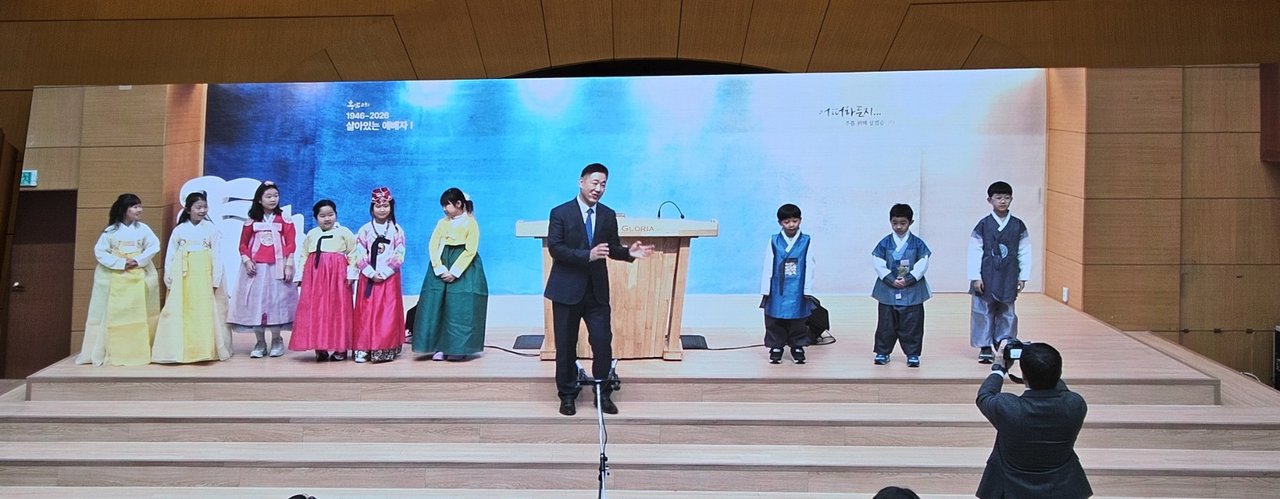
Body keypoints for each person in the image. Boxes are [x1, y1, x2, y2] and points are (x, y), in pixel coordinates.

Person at [545, 163, 653, 416]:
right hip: (566, 291)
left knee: (603, 342)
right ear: (581, 182)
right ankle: (567, 395)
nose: (599, 188)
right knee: (566, 345)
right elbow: (556, 249)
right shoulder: (560, 213)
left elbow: (611, 248)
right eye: (594, 183)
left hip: (596, 292)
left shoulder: (607, 214)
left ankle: (602, 393)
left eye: (603, 184)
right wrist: (587, 255)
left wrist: (628, 253)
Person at [978, 342, 1092, 498]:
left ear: (1023, 375)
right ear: (1059, 372)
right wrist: (1047, 370)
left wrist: (999, 367)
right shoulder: (1075, 405)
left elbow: (985, 395)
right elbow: (1061, 389)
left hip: (1009, 490)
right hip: (1063, 489)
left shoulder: (1008, 408)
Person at [75, 193, 161, 366]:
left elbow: (154, 246)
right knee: (112, 314)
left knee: (140, 313)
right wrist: (121, 263)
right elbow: (100, 252)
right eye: (135, 207)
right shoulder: (110, 232)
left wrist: (138, 260)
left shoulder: (143, 229)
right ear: (124, 209)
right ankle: (111, 351)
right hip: (115, 276)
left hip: (138, 273)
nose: (139, 210)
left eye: (140, 206)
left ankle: (140, 351)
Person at [152, 191, 233, 363]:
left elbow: (217, 255)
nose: (202, 210)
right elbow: (171, 255)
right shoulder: (179, 230)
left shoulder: (211, 229)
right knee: (183, 310)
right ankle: (181, 349)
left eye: (205, 207)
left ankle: (205, 348)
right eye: (198, 207)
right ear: (188, 209)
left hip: (204, 275)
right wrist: (169, 277)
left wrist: (215, 279)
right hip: (184, 277)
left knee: (206, 310)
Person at [413, 188, 489, 361]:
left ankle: (458, 347)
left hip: (464, 269)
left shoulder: (471, 224)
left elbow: (470, 250)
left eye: (447, 205)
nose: (444, 209)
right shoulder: (442, 223)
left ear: (459, 203)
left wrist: (455, 271)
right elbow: (433, 245)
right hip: (442, 264)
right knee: (437, 305)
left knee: (459, 307)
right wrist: (439, 268)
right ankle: (439, 346)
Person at [227, 181, 298, 358]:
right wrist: (246, 261)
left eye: (276, 196)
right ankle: (259, 342)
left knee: (276, 303)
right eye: (268, 196)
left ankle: (277, 340)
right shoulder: (251, 222)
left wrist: (289, 265)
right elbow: (243, 245)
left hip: (278, 267)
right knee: (256, 303)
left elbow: (291, 243)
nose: (273, 199)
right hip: (256, 269)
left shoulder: (285, 220)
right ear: (259, 199)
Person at [968, 181, 1032, 364]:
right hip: (986, 274)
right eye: (998, 198)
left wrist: (1023, 276)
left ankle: (1005, 342)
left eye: (1006, 197)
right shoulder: (983, 225)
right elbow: (974, 250)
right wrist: (975, 277)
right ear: (990, 200)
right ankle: (985, 346)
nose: (1003, 201)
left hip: (1008, 274)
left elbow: (1024, 251)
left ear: (1011, 199)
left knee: (1007, 309)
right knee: (983, 309)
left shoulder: (1018, 225)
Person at [288, 199, 357, 361]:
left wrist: (351, 274)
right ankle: (321, 347)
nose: (327, 219)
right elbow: (304, 255)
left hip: (337, 277)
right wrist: (301, 275)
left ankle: (340, 348)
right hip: (315, 277)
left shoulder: (344, 232)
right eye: (322, 216)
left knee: (338, 309)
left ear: (336, 215)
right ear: (316, 217)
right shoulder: (312, 234)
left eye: (330, 215)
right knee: (317, 310)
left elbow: (353, 253)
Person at [870, 203, 931, 367]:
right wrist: (890, 279)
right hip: (888, 289)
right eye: (895, 222)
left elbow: (923, 263)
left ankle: (913, 354)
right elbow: (878, 262)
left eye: (903, 223)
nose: (898, 227)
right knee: (885, 324)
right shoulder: (884, 243)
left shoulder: (917, 243)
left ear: (911, 222)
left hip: (912, 289)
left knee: (913, 323)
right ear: (890, 221)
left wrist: (909, 278)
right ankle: (883, 352)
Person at [353, 187, 407, 363]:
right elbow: (358, 253)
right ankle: (363, 347)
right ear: (372, 207)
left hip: (389, 278)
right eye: (378, 206)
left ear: (391, 207)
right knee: (366, 312)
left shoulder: (397, 230)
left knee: (387, 313)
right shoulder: (364, 230)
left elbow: (400, 253)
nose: (382, 209)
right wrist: (370, 272)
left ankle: (384, 348)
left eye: (385, 206)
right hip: (368, 278)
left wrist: (385, 273)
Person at [760, 203, 815, 365]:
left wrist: (807, 288)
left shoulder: (806, 241)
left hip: (798, 286)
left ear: (800, 220)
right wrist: (766, 288)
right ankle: (776, 345)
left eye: (794, 221)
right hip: (778, 286)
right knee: (774, 316)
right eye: (787, 222)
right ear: (780, 223)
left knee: (799, 317)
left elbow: (810, 264)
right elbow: (768, 264)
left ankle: (797, 345)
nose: (791, 225)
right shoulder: (774, 241)